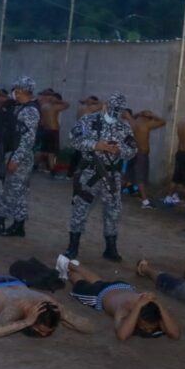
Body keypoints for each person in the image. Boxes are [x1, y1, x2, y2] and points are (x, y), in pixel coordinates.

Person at [63, 92, 137, 262]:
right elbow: (73, 138)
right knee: (80, 209)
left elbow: (133, 150)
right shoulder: (88, 120)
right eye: (111, 110)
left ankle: (110, 248)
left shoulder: (124, 127)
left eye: (118, 112)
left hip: (112, 176)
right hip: (90, 173)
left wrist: (120, 150)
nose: (114, 115)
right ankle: (72, 247)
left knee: (113, 212)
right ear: (105, 106)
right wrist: (96, 145)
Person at [58, 257, 179, 341]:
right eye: (145, 326)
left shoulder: (152, 310)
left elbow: (175, 334)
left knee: (98, 281)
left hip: (122, 287)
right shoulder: (126, 309)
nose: (147, 330)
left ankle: (72, 264)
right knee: (79, 284)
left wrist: (158, 304)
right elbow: (122, 335)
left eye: (150, 328)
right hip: (99, 295)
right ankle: (68, 268)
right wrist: (137, 307)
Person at [0, 76, 41, 237]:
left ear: (22, 91)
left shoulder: (30, 110)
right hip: (7, 153)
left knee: (17, 191)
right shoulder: (16, 106)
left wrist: (16, 159)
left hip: (19, 157)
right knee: (1, 188)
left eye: (16, 89)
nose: (13, 92)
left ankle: (18, 225)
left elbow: (28, 139)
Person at [127, 109, 166, 209]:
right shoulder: (145, 124)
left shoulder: (133, 122)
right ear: (147, 118)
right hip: (141, 155)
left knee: (129, 177)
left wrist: (139, 113)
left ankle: (113, 193)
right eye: (150, 118)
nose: (151, 120)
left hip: (135, 153)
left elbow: (130, 116)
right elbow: (163, 122)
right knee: (140, 178)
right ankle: (145, 202)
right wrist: (153, 114)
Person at [67, 96, 103, 180]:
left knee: (77, 152)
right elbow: (103, 105)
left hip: (79, 130)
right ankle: (78, 173)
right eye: (94, 102)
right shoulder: (90, 108)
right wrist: (97, 102)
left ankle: (70, 173)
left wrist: (85, 101)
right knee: (83, 154)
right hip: (84, 130)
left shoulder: (81, 107)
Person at [36, 91, 70, 175]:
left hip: (45, 130)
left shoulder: (44, 106)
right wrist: (58, 101)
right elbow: (67, 105)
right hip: (53, 131)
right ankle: (52, 170)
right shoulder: (54, 107)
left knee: (42, 150)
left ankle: (35, 165)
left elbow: (42, 121)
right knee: (51, 152)